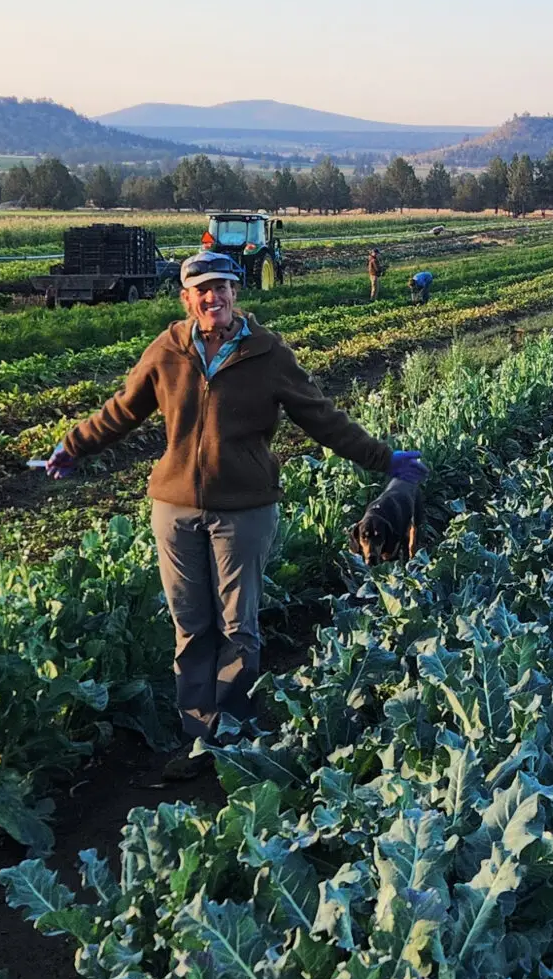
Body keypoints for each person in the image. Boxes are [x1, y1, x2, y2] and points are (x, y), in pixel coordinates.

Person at [45, 250, 428, 780]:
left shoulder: (266, 351)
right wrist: (73, 447)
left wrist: (383, 458)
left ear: (234, 293)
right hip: (176, 509)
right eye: (202, 289)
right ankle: (200, 737)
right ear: (187, 298)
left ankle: (236, 734)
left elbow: (321, 417)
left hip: (244, 510)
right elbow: (122, 409)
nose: (213, 297)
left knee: (236, 625)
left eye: (222, 287)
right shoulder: (168, 350)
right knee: (190, 625)